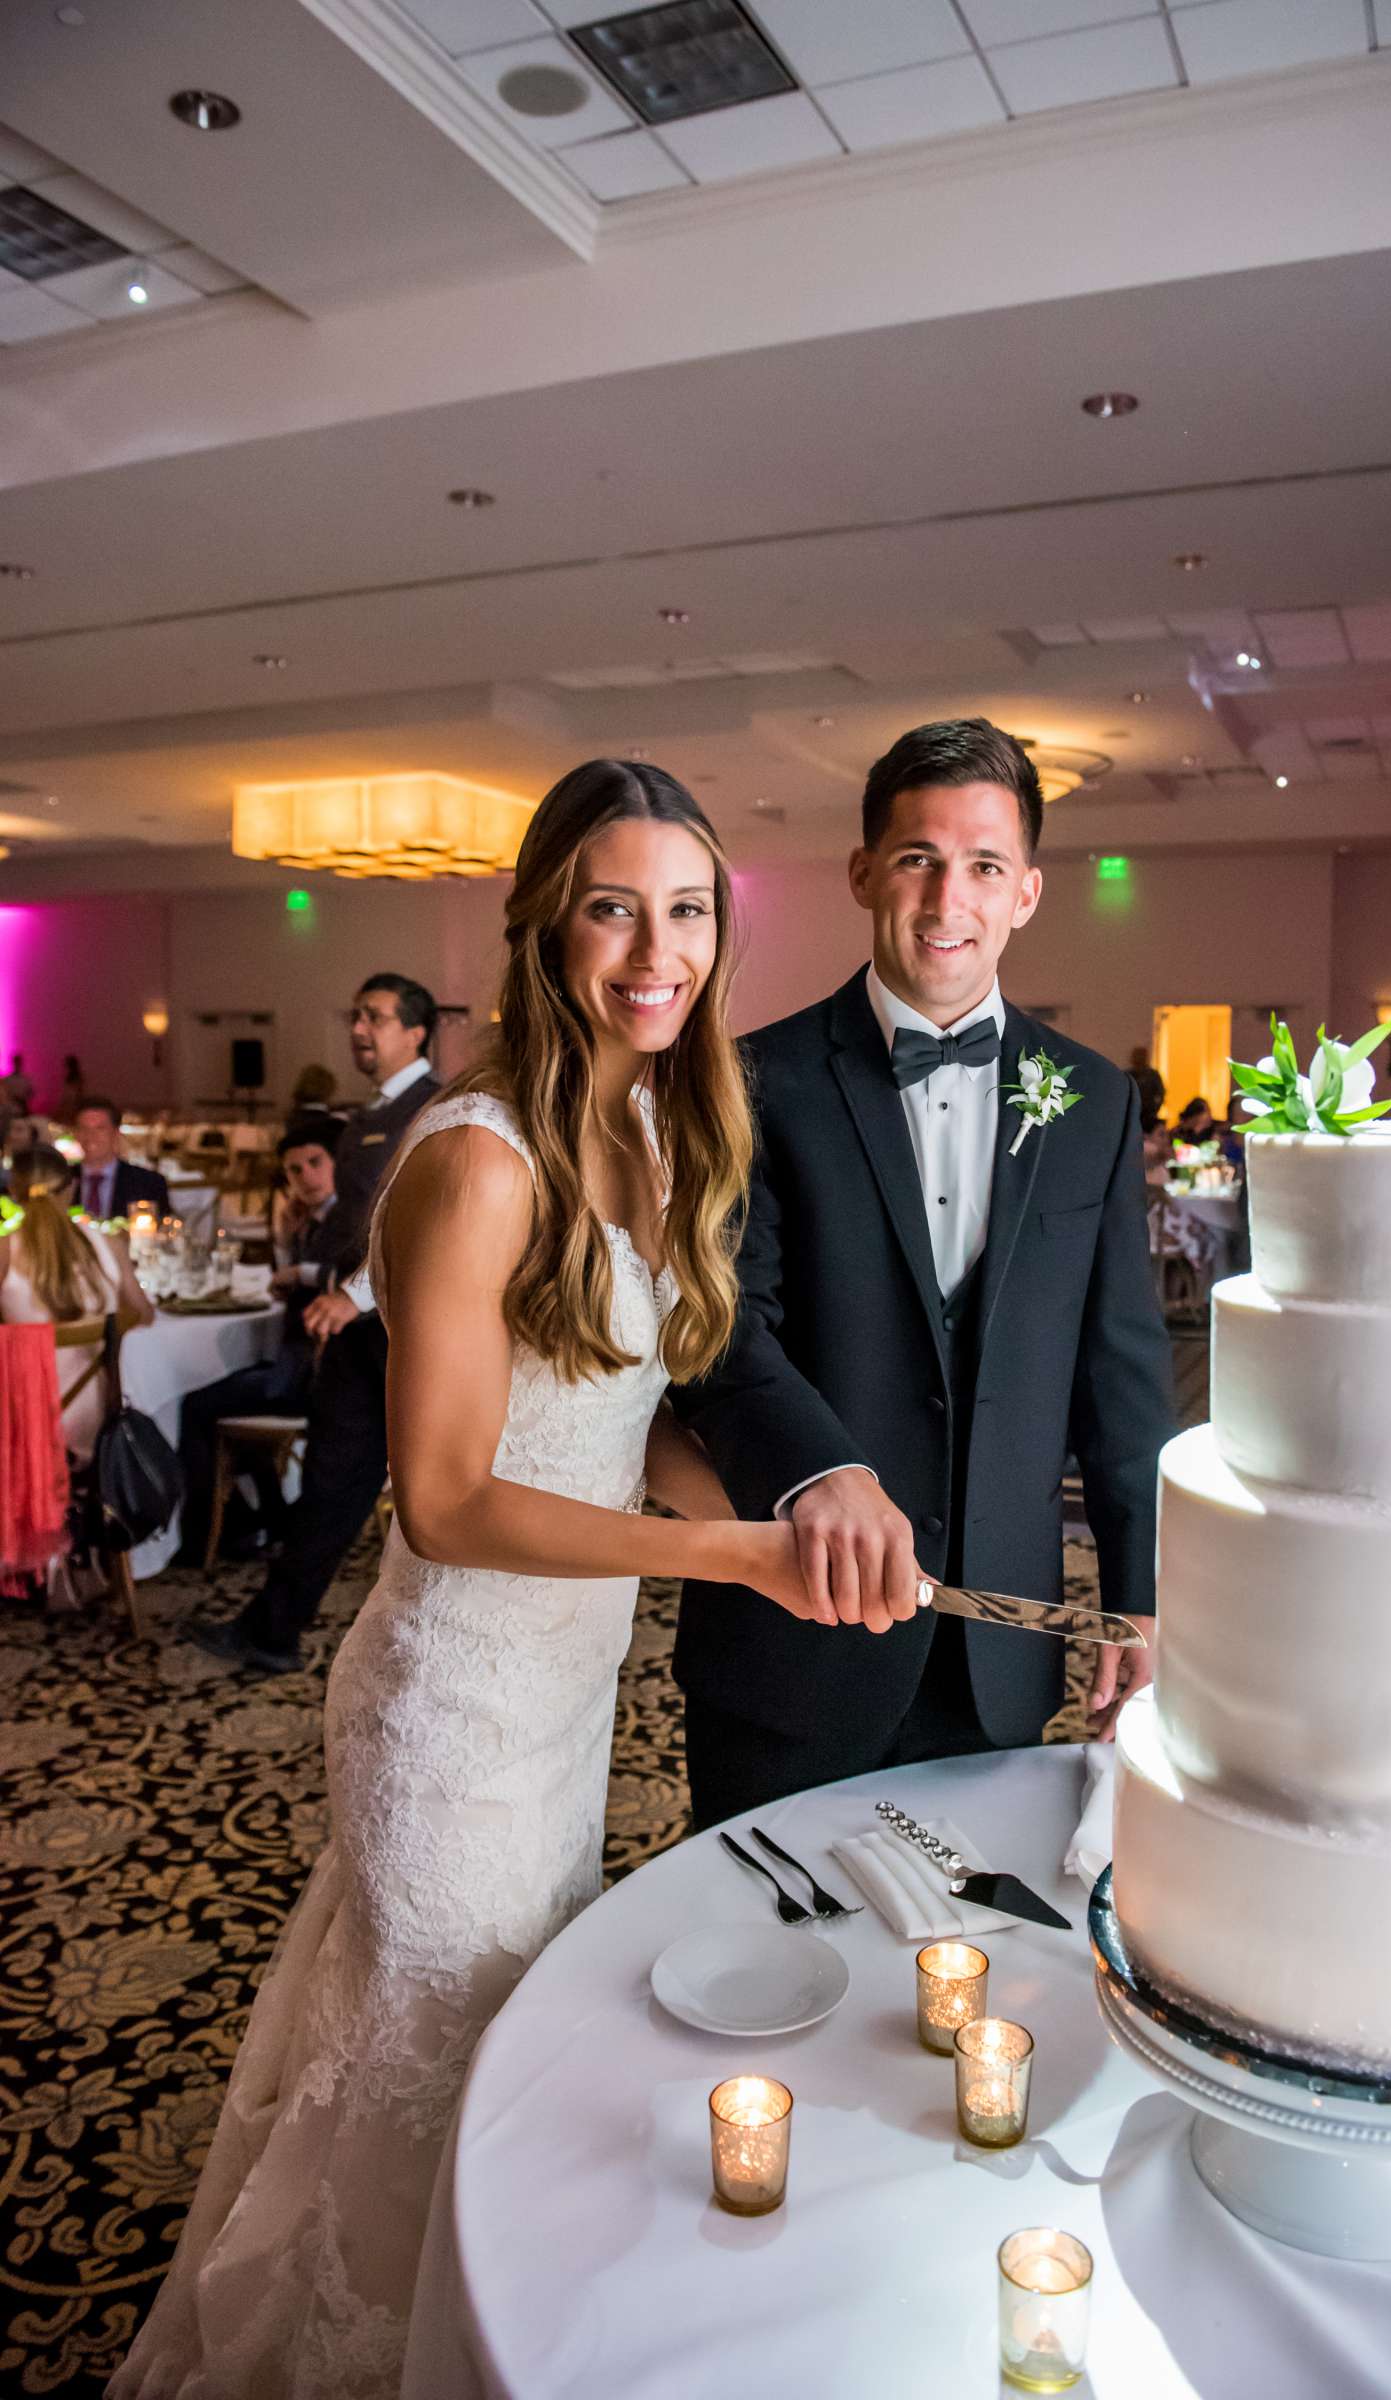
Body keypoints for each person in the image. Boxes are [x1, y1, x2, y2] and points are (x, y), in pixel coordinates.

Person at [109, 760, 819, 2398]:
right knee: (429, 2083)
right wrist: (723, 1554)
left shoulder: (653, 1125)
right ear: (540, 925)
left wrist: (793, 1531)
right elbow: (440, 1499)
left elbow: (619, 1426)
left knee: (471, 2065)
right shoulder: (478, 1158)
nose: (659, 948)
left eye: (690, 909)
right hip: (454, 1710)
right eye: (614, 907)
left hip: (566, 1703)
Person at [671, 716, 1177, 1829]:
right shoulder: (752, 1082)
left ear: (1027, 892)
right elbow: (718, 1332)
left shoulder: (1091, 1099)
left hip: (999, 1657)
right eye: (918, 860)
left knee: (965, 1967)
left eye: (984, 866)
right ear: (863, 873)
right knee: (759, 1964)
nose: (950, 902)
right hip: (792, 1640)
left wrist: (1138, 1602)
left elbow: (1123, 1377)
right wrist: (819, 1474)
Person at [191, 975, 442, 1672]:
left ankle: (281, 1629)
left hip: (396, 1335)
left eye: (376, 1017)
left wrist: (354, 1296)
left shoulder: (432, 1108)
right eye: (356, 1015)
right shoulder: (375, 1111)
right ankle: (273, 1628)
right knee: (335, 1485)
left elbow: (423, 1225)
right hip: (363, 1339)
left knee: (377, 1487)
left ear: (416, 1031)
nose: (360, 1028)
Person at [174, 1115, 344, 1564]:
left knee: (195, 1405)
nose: (306, 1176)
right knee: (229, 1398)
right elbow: (288, 1282)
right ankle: (267, 1515)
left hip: (316, 1376)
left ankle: (212, 1530)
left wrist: (298, 1269)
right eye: (294, 1170)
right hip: (295, 1366)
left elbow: (355, 1276)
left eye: (314, 1163)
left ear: (336, 1163)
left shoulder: (348, 1217)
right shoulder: (312, 1219)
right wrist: (286, 1239)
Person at [0, 1143, 152, 1458]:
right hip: (98, 1419)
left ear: (14, 1192)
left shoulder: (5, 1252)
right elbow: (143, 1315)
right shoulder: (109, 1245)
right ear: (72, 1188)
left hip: (24, 1424)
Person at [71, 1097, 171, 1220]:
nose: (90, 1136)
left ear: (116, 1133)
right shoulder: (62, 1180)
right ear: (75, 1134)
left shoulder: (147, 1183)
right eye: (83, 1129)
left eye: (100, 1129)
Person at [1129, 1043, 1165, 1134]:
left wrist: (1155, 1108)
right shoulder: (1129, 1075)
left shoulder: (1153, 1075)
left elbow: (1160, 1093)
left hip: (1149, 1114)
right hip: (1133, 1113)